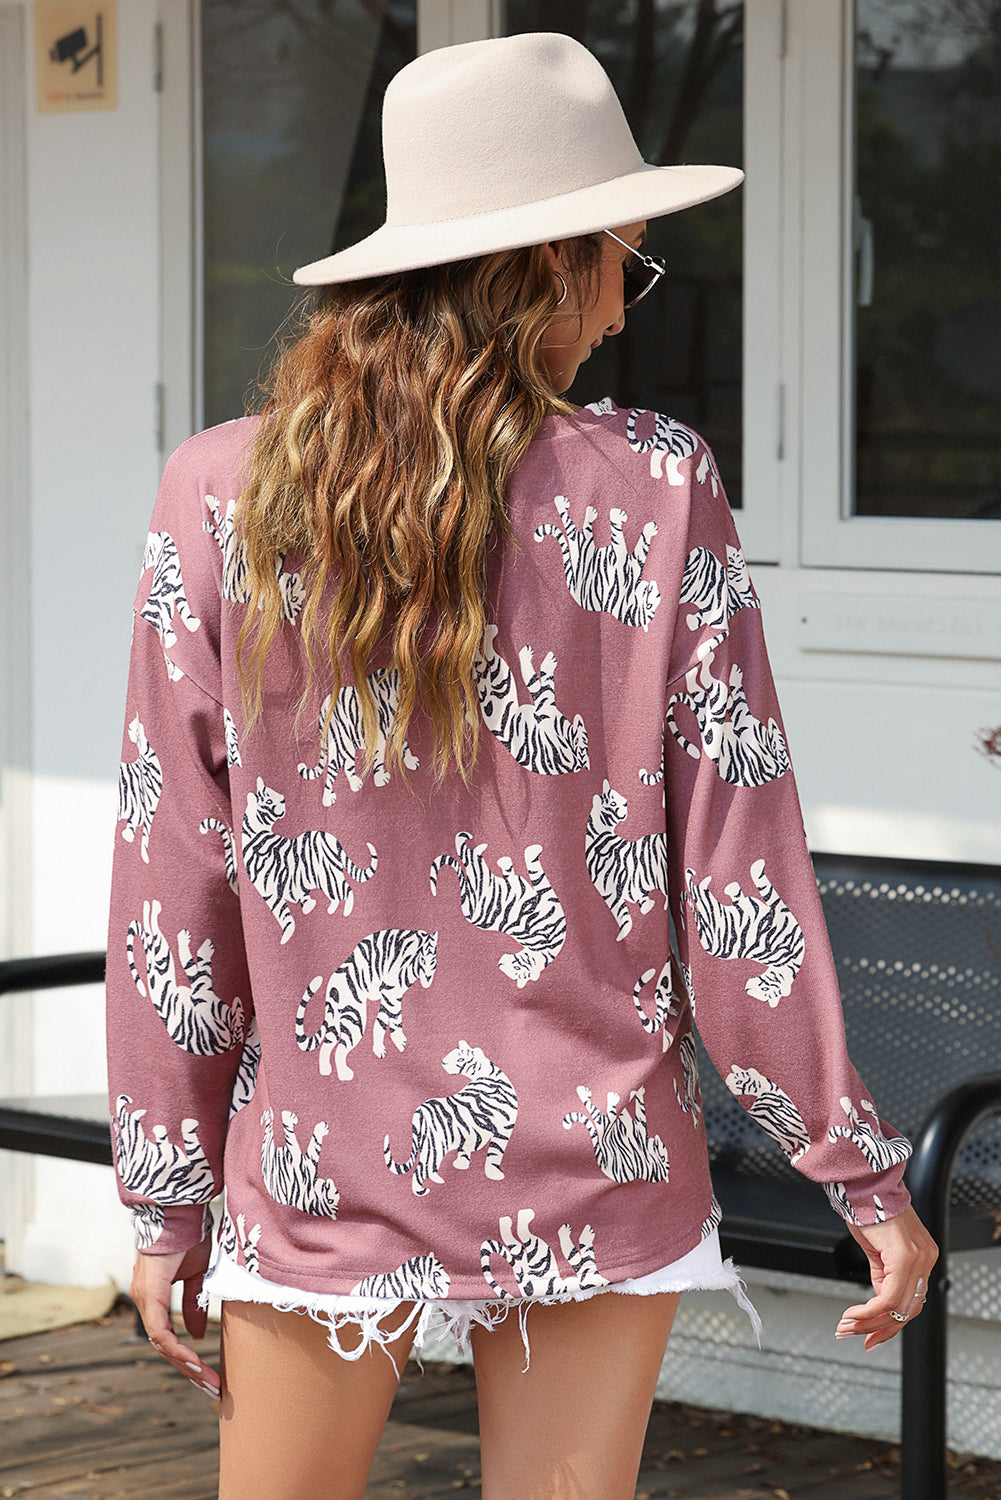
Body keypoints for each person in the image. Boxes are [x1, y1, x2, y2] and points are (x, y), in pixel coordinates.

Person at [108, 31, 937, 1500]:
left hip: (320, 1154)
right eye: (627, 259)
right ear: (548, 264)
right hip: (593, 1146)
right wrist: (855, 1168)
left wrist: (166, 1194)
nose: (622, 308)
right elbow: (737, 874)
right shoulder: (657, 491)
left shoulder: (220, 491)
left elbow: (177, 874)